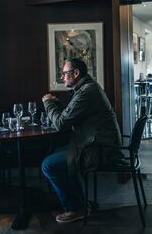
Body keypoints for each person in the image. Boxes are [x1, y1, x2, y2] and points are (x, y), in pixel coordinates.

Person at [41, 58, 123, 223]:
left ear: (76, 73)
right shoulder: (87, 88)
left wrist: (48, 103)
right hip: (97, 144)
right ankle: (81, 204)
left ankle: (74, 208)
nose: (62, 77)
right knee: (58, 155)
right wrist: (57, 105)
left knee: (48, 165)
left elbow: (61, 124)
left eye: (65, 73)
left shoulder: (87, 91)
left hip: (100, 150)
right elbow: (70, 116)